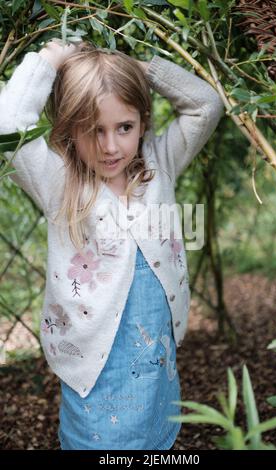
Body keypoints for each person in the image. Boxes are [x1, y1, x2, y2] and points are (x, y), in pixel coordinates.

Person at [0, 37, 224, 450]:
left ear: (143, 122)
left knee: (155, 437)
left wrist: (142, 68)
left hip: (155, 355)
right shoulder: (58, 182)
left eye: (125, 127)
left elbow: (206, 104)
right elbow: (9, 123)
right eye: (92, 131)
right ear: (70, 129)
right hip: (93, 362)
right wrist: (52, 58)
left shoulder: (160, 163)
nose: (110, 146)